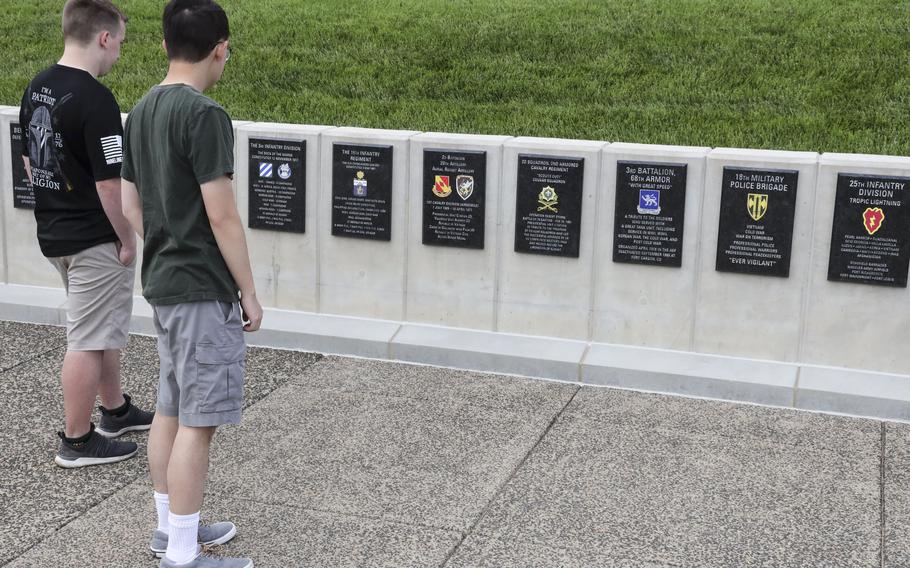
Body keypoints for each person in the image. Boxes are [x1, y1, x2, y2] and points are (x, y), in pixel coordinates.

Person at [121, 1, 262, 566]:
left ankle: (170, 527)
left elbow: (132, 203)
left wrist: (166, 241)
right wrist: (247, 290)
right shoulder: (205, 114)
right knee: (197, 425)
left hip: (163, 281)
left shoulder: (141, 110)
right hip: (202, 286)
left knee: (171, 410)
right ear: (221, 48)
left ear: (164, 46)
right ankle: (182, 552)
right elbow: (222, 214)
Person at [19, 0, 154, 469]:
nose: (119, 51)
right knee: (86, 339)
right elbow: (109, 183)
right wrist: (128, 238)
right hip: (94, 238)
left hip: (55, 232)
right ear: (103, 37)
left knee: (101, 329)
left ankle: (114, 411)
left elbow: (29, 162)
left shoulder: (37, 87)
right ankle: (77, 440)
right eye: (119, 41)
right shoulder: (97, 100)